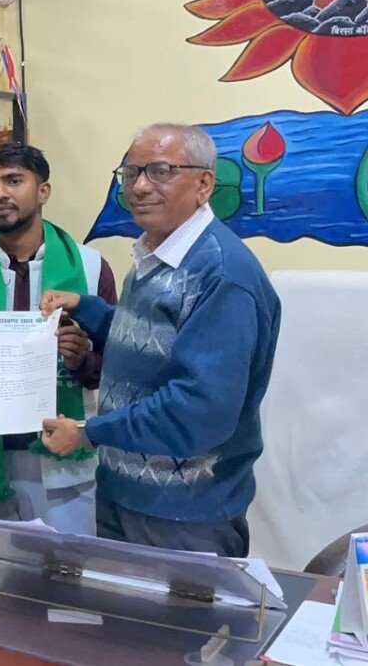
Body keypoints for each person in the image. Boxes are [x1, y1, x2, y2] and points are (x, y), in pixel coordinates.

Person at [39, 123, 281, 557]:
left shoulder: (223, 275)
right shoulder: (156, 253)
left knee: (176, 607)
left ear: (204, 184)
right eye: (131, 173)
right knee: (116, 602)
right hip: (123, 494)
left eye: (160, 171)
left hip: (184, 515)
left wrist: (89, 431)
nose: (139, 187)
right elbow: (152, 343)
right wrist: (87, 308)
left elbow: (199, 408)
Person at [0, 142, 117, 535]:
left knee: (65, 566)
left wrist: (80, 360)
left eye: (13, 181)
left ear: (43, 191)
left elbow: (116, 366)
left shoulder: (90, 267)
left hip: (62, 454)